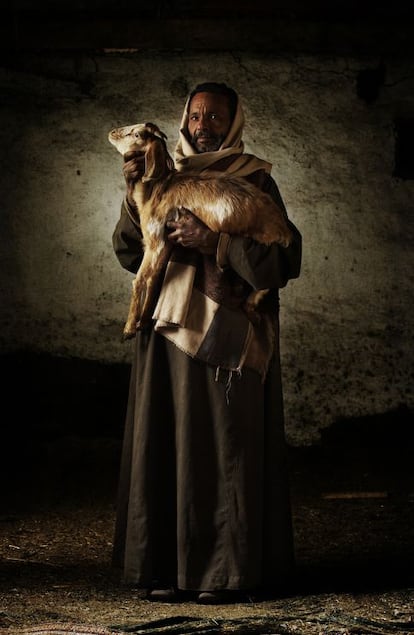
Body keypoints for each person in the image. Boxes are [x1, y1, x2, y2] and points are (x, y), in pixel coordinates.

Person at [111, 82, 302, 604]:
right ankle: (164, 571)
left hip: (228, 337)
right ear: (183, 120)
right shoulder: (160, 173)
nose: (203, 126)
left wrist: (215, 241)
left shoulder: (256, 178)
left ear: (234, 122)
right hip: (166, 336)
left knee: (223, 447)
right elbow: (131, 253)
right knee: (166, 443)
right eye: (196, 116)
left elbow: (283, 261)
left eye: (216, 118)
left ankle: (224, 574)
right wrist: (135, 199)